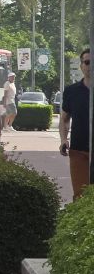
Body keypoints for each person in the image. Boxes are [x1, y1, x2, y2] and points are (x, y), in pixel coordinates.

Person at [59, 48, 91, 198]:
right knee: (80, 195)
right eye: (87, 62)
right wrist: (64, 139)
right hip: (79, 151)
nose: (90, 66)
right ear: (81, 66)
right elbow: (65, 119)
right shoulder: (72, 91)